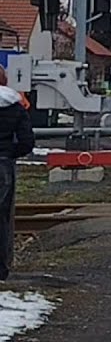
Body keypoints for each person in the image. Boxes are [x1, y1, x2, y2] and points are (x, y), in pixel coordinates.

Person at [0, 65, 35, 281]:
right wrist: (8, 154)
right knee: (3, 219)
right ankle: (2, 269)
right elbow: (27, 142)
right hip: (3, 167)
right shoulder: (15, 107)